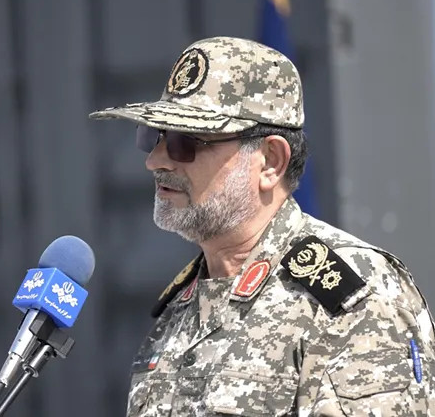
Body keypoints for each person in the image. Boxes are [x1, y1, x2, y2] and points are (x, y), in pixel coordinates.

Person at [89, 36, 435, 416]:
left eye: (182, 142)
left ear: (270, 161)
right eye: (153, 137)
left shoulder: (352, 296)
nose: (155, 161)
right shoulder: (179, 308)